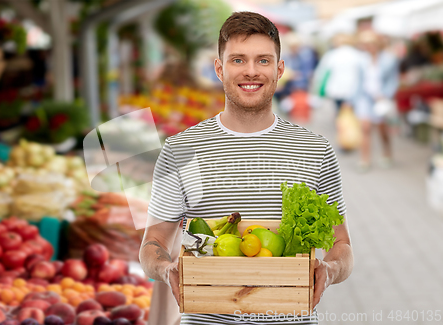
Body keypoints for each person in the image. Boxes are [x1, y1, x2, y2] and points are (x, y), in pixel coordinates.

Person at [140, 12, 353, 325]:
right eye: (238, 60)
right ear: (219, 68)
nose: (251, 72)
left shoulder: (315, 150)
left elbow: (342, 245)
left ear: (280, 69)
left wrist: (331, 270)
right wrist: (165, 267)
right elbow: (152, 244)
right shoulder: (180, 149)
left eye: (263, 60)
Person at [355, 31, 399, 171]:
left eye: (371, 44)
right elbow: (358, 81)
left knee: (382, 129)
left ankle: (387, 153)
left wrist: (385, 94)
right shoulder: (361, 59)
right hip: (365, 98)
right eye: (366, 44)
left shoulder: (389, 59)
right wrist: (352, 99)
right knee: (365, 128)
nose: (369, 47)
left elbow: (393, 80)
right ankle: (364, 160)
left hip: (381, 99)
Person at [312, 33, 364, 114]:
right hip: (353, 90)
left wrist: (318, 91)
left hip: (336, 90)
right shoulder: (358, 55)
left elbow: (321, 73)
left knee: (340, 114)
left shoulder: (332, 55)